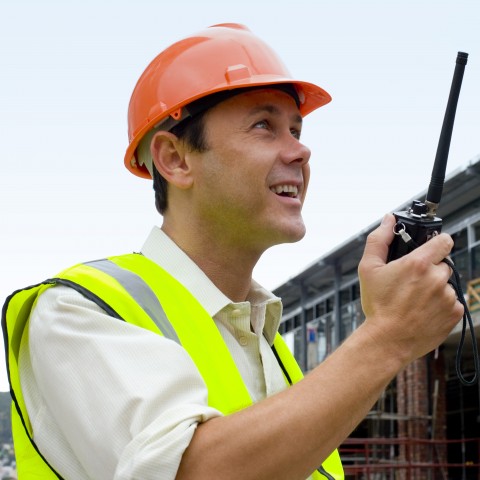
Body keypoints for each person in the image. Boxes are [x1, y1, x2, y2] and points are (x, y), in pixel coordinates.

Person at [2, 23, 462, 480]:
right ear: (175, 159)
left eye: (296, 129)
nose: (301, 151)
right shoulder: (77, 312)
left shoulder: (273, 350)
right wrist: (386, 336)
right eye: (265, 126)